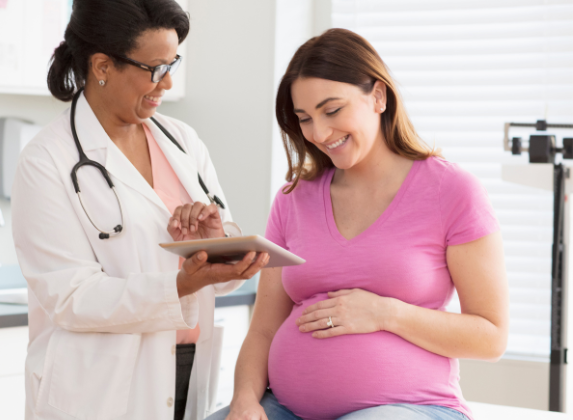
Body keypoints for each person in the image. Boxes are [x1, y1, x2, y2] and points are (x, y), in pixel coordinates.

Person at [208, 28, 508, 420]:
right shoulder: (294, 198)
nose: (319, 133)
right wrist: (246, 401)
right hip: (284, 408)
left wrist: (386, 313)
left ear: (378, 97)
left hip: (412, 407)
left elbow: (491, 336)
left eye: (332, 111)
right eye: (304, 119)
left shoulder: (452, 190)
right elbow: (264, 330)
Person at [11, 1, 268, 419]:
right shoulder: (47, 161)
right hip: (100, 385)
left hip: (185, 367)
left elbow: (213, 275)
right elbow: (72, 297)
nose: (165, 84)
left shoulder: (182, 141)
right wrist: (180, 284)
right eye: (155, 69)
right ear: (102, 66)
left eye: (172, 65)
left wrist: (216, 245)